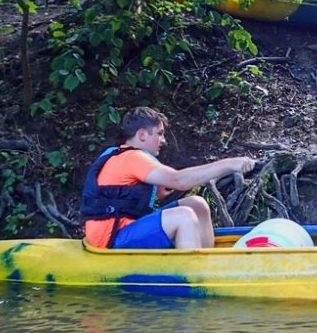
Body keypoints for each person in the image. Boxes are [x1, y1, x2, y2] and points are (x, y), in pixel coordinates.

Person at [80, 106, 256, 250]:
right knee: (184, 216)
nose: (163, 140)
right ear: (142, 135)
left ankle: (206, 261)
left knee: (197, 204)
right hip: (110, 238)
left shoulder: (119, 155)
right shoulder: (132, 157)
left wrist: (156, 193)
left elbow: (122, 197)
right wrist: (229, 164)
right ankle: (192, 277)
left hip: (127, 228)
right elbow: (178, 180)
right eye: (159, 133)